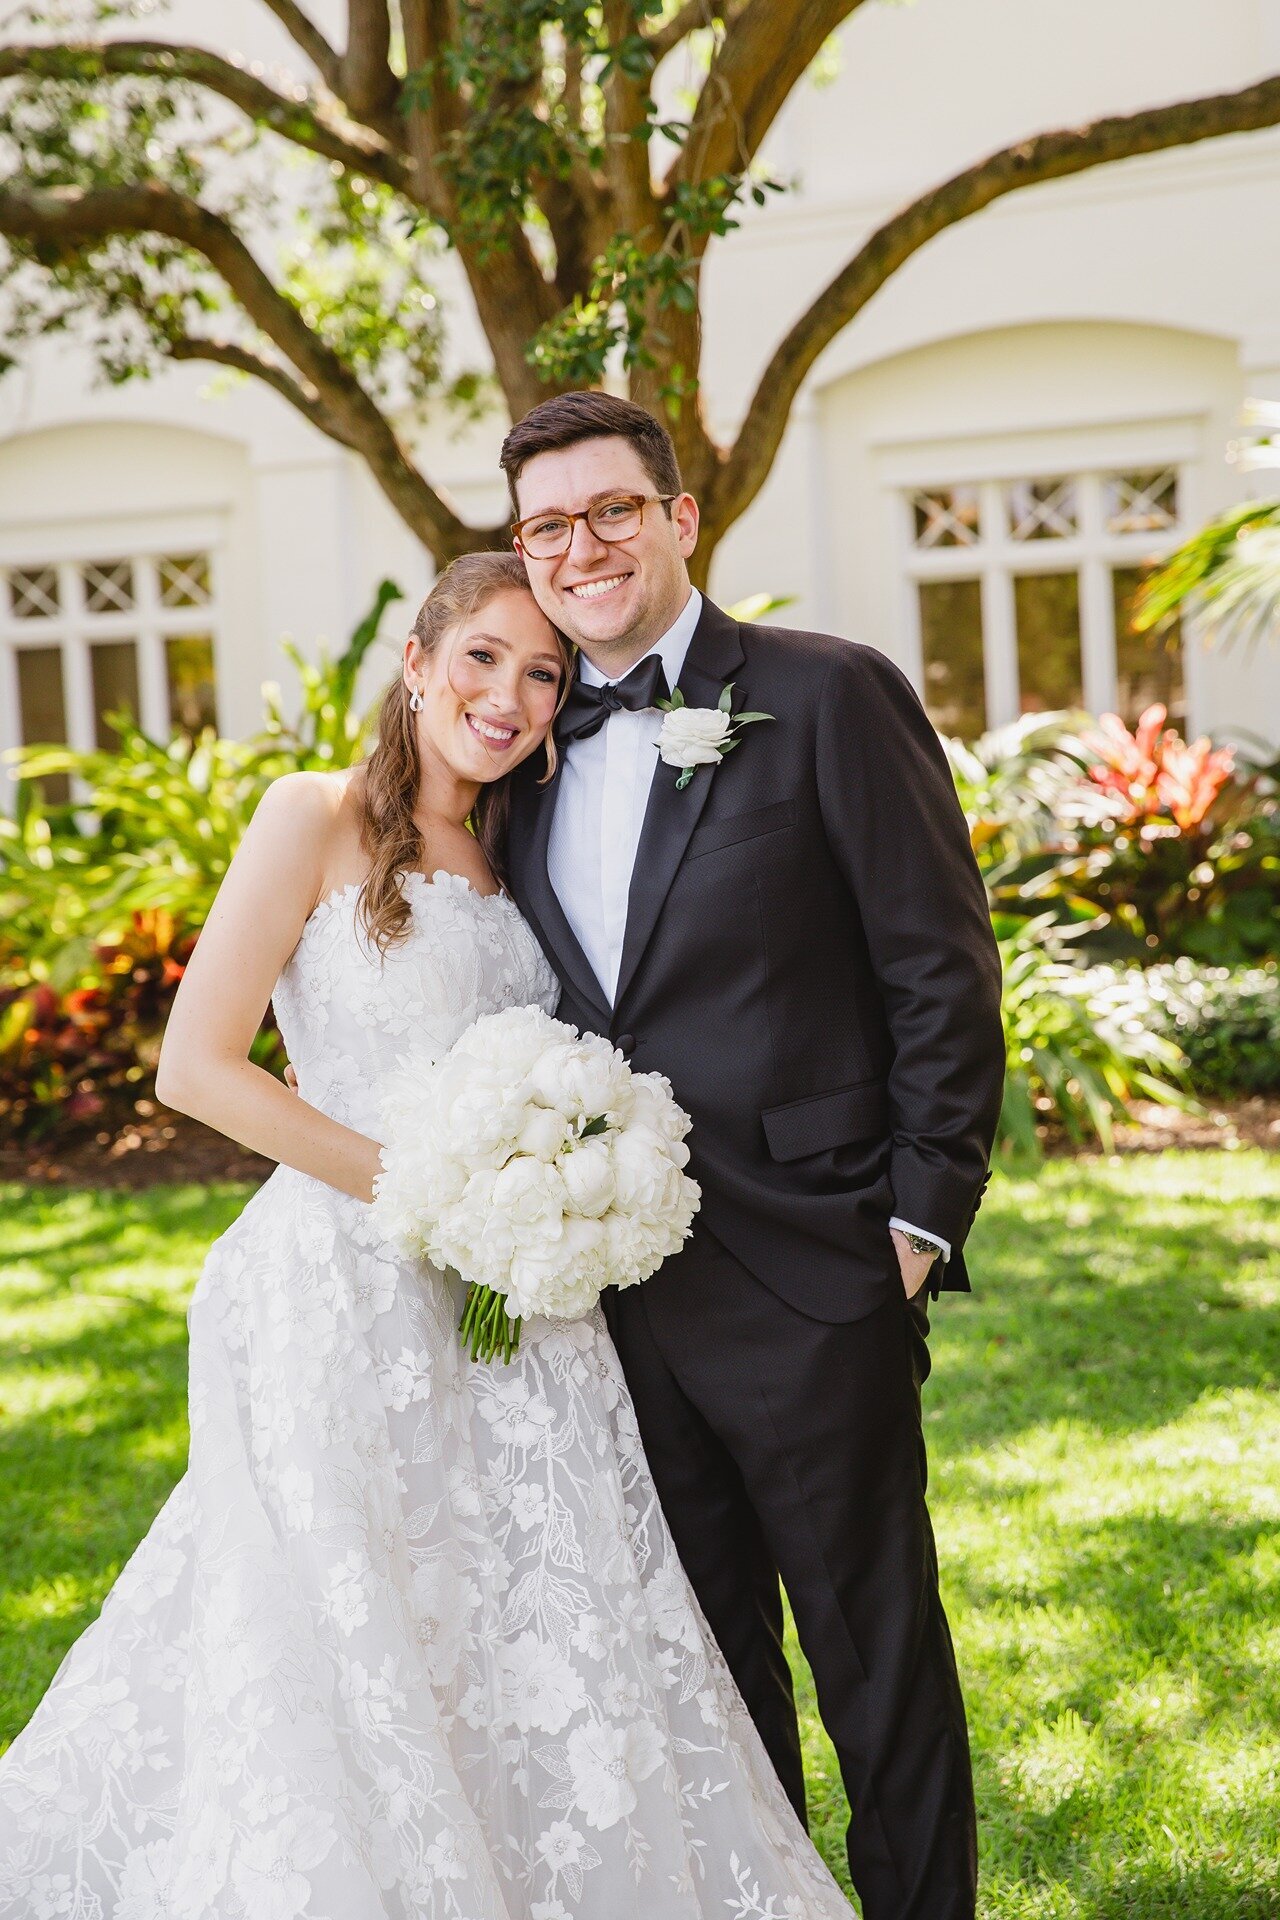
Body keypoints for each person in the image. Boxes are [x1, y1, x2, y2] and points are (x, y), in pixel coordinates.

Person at [0, 549, 858, 1919]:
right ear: (415, 663)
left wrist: (566, 1185)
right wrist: (430, 1196)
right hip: (344, 1287)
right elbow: (198, 1070)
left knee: (531, 1617)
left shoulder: (532, 848)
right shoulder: (313, 817)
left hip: (525, 1302)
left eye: (541, 674)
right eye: (481, 659)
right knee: (348, 1621)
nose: (509, 697)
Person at [500, 392, 1006, 1920]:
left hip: (815, 1266)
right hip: (612, 1303)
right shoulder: (519, 751)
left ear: (680, 519)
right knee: (709, 1680)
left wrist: (917, 1220)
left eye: (609, 512)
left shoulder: (827, 693)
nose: (579, 548)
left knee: (877, 1661)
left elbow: (941, 967)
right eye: (544, 526)